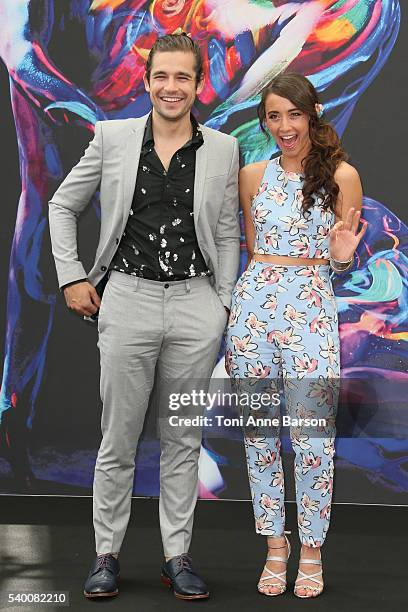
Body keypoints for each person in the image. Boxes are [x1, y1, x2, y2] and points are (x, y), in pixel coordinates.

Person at [48, 33, 240, 600]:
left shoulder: (224, 149)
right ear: (147, 79)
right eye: (162, 76)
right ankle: (105, 555)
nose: (171, 87)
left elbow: (227, 231)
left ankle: (176, 557)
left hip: (195, 306)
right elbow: (62, 205)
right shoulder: (112, 138)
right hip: (126, 301)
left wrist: (222, 304)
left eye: (183, 77)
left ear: (197, 83)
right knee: (119, 438)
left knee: (183, 439)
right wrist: (71, 275)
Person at [225, 73, 366, 598]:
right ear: (264, 120)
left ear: (313, 114)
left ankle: (311, 550)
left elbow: (340, 257)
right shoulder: (251, 175)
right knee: (259, 434)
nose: (284, 126)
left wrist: (342, 257)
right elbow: (251, 246)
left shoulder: (343, 176)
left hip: (310, 309)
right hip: (254, 307)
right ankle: (274, 547)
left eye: (294, 114)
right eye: (274, 116)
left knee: (312, 438)